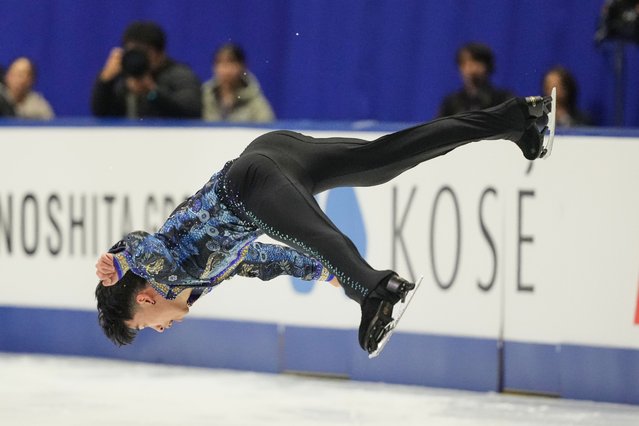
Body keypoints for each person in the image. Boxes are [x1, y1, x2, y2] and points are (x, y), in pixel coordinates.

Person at [95, 95, 552, 355]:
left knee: (319, 234)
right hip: (275, 157)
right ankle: (515, 120)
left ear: (145, 297)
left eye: (143, 324)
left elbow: (141, 244)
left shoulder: (166, 266)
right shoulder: (199, 282)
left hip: (252, 184)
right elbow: (261, 258)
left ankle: (375, 291)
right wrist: (325, 274)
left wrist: (117, 259)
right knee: (390, 158)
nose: (158, 329)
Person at [91, 21, 201, 119]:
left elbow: (190, 113)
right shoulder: (123, 77)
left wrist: (152, 93)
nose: (138, 57)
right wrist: (105, 81)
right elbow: (101, 113)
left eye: (142, 52)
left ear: (160, 53)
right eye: (132, 51)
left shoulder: (180, 75)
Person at [202, 43, 275, 123]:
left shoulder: (255, 102)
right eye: (219, 62)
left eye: (231, 62)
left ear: (242, 66)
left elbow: (267, 129)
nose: (225, 69)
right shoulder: (204, 97)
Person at [439, 42, 513, 117]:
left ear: (488, 66)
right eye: (465, 63)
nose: (471, 69)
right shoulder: (451, 102)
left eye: (477, 62)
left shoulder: (503, 99)